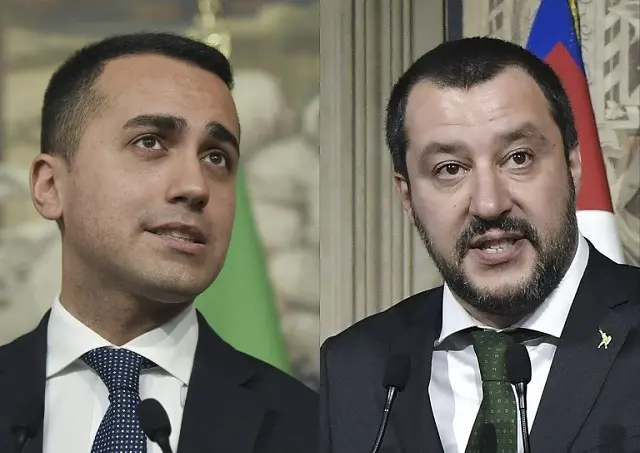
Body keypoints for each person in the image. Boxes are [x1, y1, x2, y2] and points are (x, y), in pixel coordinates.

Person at [0, 32, 317, 453]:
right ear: (50, 186)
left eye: (216, 157)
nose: (195, 186)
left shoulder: (312, 428)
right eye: (150, 142)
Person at [320, 36, 640, 453]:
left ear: (573, 165)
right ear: (407, 196)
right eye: (450, 169)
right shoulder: (353, 368)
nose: (489, 204)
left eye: (519, 158)